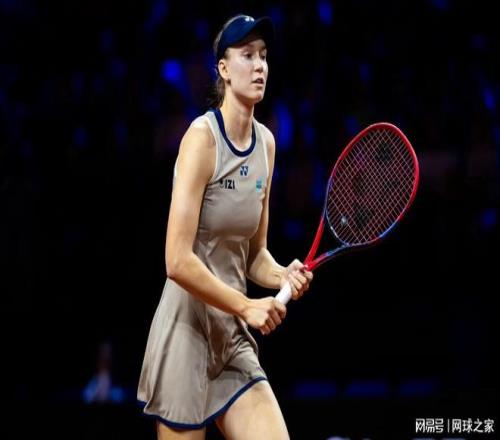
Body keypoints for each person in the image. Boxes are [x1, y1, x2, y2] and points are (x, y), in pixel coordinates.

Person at [138, 14, 313, 440]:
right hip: (186, 333)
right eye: (247, 55)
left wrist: (281, 275)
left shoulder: (266, 144)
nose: (259, 66)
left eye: (264, 56)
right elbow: (176, 261)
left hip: (231, 338)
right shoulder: (201, 139)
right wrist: (246, 306)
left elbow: (254, 255)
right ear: (223, 68)